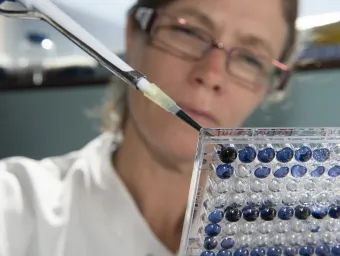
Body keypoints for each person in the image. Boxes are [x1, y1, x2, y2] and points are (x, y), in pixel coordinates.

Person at [0, 0, 299, 255]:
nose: (211, 74)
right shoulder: (15, 207)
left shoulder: (295, 232)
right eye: (188, 31)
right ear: (133, 34)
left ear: (268, 88)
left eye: (250, 58)